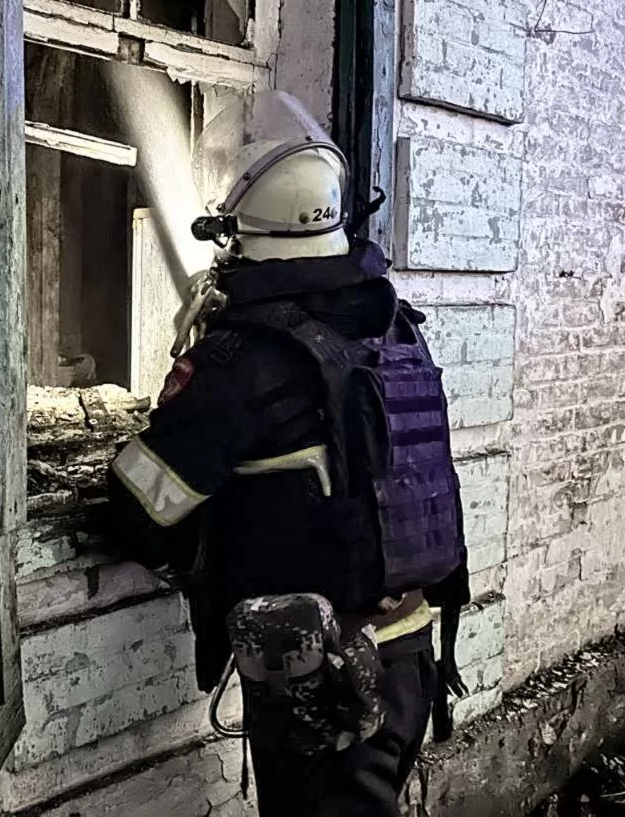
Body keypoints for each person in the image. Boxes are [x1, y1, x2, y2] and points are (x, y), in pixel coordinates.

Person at [99, 91, 470, 817]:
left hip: (325, 684)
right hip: (411, 657)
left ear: (238, 233)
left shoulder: (243, 360)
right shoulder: (394, 329)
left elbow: (140, 510)